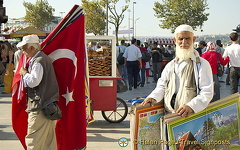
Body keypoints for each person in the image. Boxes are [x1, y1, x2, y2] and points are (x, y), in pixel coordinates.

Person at [141, 24, 214, 118]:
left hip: (190, 115)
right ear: (175, 40)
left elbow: (206, 92)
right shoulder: (171, 65)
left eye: (188, 38)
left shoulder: (202, 64)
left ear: (194, 39)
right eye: (180, 39)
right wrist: (153, 97)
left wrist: (191, 106)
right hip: (169, 115)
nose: (184, 42)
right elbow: (162, 86)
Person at [18, 34, 59, 149]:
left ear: (32, 48)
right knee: (48, 142)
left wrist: (24, 73)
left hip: (40, 107)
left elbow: (33, 82)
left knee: (34, 141)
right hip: (48, 106)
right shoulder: (41, 58)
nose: (23, 51)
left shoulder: (38, 61)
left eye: (24, 48)